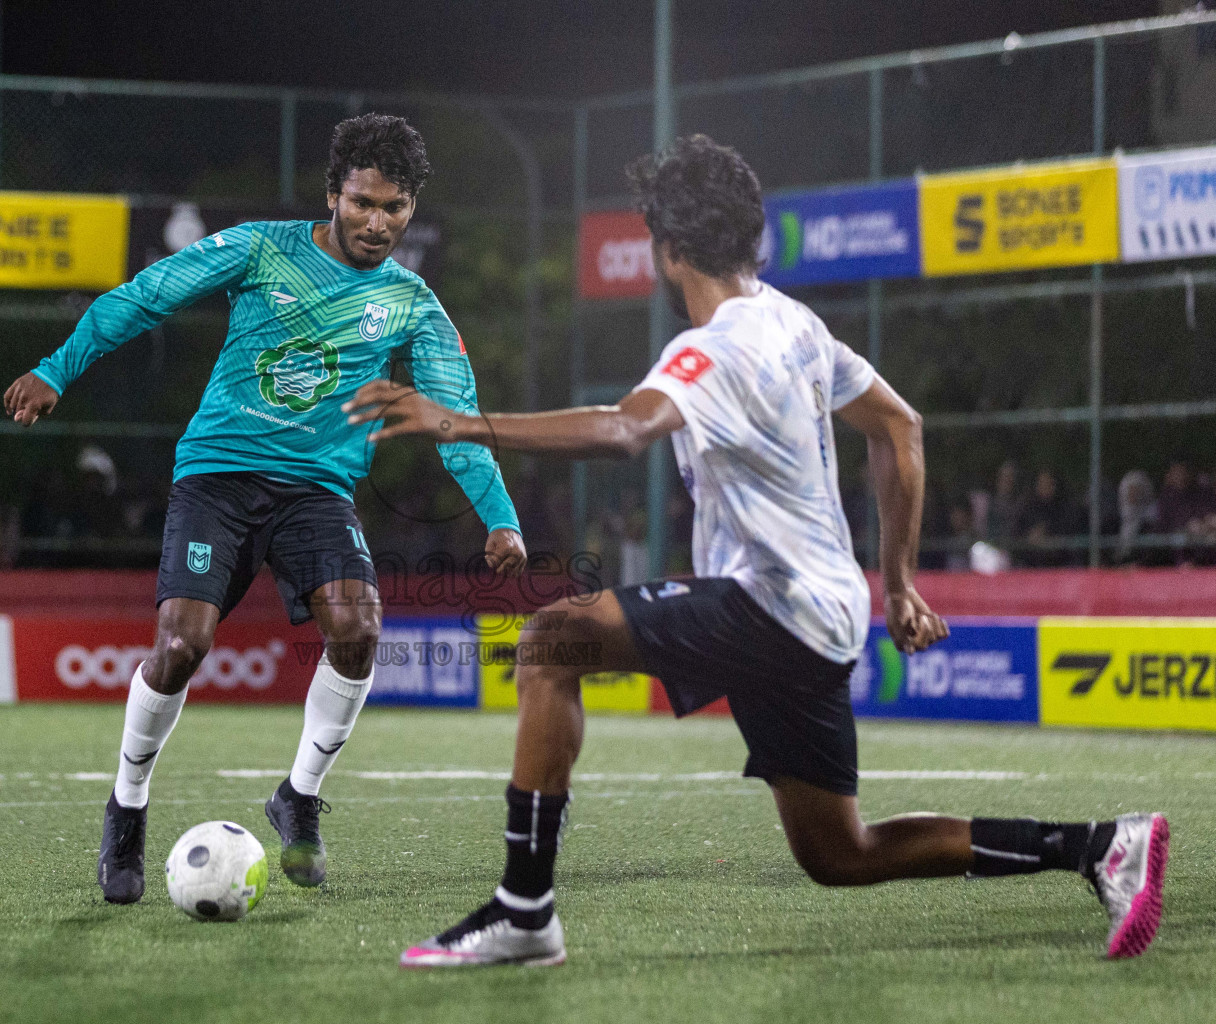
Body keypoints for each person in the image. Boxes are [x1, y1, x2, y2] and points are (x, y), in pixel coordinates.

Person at [347, 134, 1168, 967]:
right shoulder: (795, 323)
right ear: (751, 239)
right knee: (839, 854)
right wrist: (901, 584)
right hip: (824, 614)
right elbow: (900, 426)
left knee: (552, 641)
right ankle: (1099, 846)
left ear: (668, 253)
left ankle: (524, 911)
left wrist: (458, 421)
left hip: (775, 604)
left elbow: (626, 429)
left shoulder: (717, 346)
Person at [3, 114, 525, 903]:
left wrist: (501, 516)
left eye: (395, 207)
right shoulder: (261, 248)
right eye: (362, 203)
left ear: (412, 208)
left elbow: (455, 420)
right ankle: (127, 810)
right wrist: (56, 368)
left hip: (316, 492)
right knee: (181, 646)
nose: (377, 222)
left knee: (359, 630)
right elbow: (147, 297)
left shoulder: (412, 303)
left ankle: (299, 797)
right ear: (332, 195)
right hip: (218, 474)